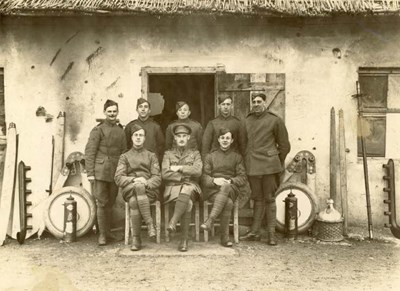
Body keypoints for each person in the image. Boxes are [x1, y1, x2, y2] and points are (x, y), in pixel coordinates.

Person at [240, 93, 290, 246]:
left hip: (269, 167)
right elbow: (243, 145)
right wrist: (248, 160)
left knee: (269, 198)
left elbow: (284, 146)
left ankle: (271, 234)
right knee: (257, 199)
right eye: (253, 101)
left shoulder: (275, 120)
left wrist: (275, 162)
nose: (256, 104)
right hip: (253, 167)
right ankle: (254, 232)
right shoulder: (246, 121)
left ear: (265, 103)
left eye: (259, 101)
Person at [85, 99, 127, 246]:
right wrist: (90, 172)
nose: (112, 114)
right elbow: (90, 152)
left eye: (114, 111)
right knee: (102, 203)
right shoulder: (98, 130)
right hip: (100, 172)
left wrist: (123, 171)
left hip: (115, 172)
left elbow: (124, 152)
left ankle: (108, 232)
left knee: (111, 203)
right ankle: (102, 235)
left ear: (117, 112)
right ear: (104, 112)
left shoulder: (120, 130)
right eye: (109, 111)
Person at [201, 127, 251, 247]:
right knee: (228, 203)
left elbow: (242, 177)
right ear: (218, 139)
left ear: (232, 140)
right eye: (222, 138)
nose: (225, 140)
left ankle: (210, 220)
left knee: (226, 186)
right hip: (213, 190)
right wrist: (214, 180)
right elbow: (204, 177)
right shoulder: (210, 156)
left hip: (231, 187)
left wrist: (230, 180)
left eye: (228, 138)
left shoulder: (237, 157)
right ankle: (224, 238)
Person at [115, 124, 161, 251]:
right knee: (137, 189)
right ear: (131, 137)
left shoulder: (151, 156)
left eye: (141, 135)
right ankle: (150, 224)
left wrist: (145, 182)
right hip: (130, 189)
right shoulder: (125, 156)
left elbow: (157, 178)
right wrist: (134, 179)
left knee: (134, 201)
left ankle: (136, 239)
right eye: (136, 135)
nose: (138, 138)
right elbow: (118, 177)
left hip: (148, 191)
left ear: (145, 138)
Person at [162, 124, 202, 252]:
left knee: (188, 188)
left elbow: (198, 171)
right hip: (173, 188)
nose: (181, 139)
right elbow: (165, 173)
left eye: (184, 136)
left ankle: (173, 222)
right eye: (179, 136)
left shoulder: (195, 153)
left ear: (189, 137)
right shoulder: (168, 154)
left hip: (192, 187)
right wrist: (183, 177)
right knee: (188, 203)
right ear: (174, 138)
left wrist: (180, 168)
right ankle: (184, 240)